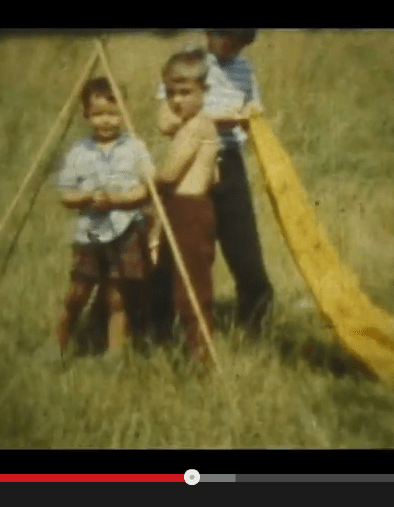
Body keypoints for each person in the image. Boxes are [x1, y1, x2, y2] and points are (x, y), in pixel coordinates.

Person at [154, 29, 274, 339]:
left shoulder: (244, 68)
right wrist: (216, 119)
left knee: (245, 253)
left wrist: (247, 115)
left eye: (241, 43)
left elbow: (254, 111)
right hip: (190, 167)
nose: (233, 48)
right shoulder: (188, 63)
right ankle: (160, 330)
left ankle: (254, 329)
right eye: (228, 38)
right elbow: (165, 121)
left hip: (229, 164)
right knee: (176, 253)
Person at [40, 77, 155, 368]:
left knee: (118, 297)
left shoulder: (135, 148)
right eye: (99, 114)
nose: (107, 121)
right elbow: (66, 195)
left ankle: (114, 354)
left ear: (124, 113)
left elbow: (147, 188)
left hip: (126, 229)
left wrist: (118, 199)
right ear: (86, 115)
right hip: (90, 233)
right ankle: (57, 344)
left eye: (114, 113)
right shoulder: (79, 151)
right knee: (76, 292)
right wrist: (86, 196)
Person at [152, 48, 220, 368]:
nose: (177, 101)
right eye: (170, 93)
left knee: (191, 286)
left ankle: (200, 354)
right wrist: (168, 101)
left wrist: (142, 176)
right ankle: (169, 341)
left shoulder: (198, 126)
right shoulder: (188, 121)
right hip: (178, 208)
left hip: (190, 210)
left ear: (204, 92)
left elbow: (169, 173)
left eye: (186, 92)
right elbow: (164, 123)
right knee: (168, 278)